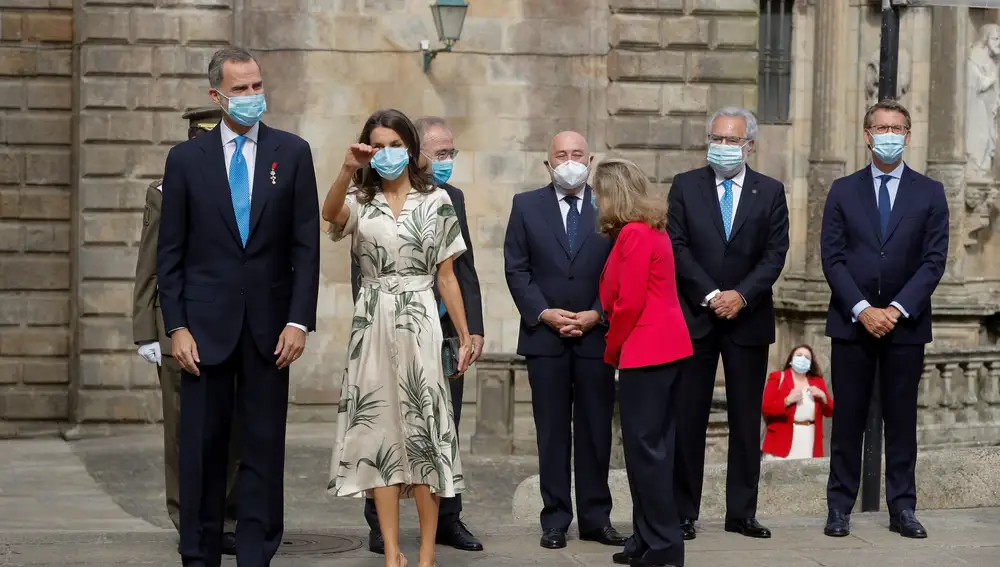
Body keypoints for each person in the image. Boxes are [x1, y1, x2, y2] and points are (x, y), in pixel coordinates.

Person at [157, 47, 320, 567]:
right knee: (201, 449)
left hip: (271, 331)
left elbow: (305, 248)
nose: (253, 97)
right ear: (216, 96)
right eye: (241, 89)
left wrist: (299, 320)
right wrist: (176, 327)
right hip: (203, 332)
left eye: (257, 86)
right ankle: (199, 550)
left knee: (263, 448)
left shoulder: (291, 153)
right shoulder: (186, 160)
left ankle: (256, 551)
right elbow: (171, 254)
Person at [323, 108, 473, 567]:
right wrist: (348, 167)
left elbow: (448, 276)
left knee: (424, 434)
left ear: (409, 147)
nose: (387, 153)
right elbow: (329, 215)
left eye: (395, 144)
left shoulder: (438, 201)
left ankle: (426, 553)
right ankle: (392, 552)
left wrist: (464, 335)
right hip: (372, 322)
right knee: (378, 436)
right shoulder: (359, 197)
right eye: (378, 145)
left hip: (422, 320)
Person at [821, 99, 948, 539]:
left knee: (901, 421)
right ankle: (839, 507)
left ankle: (903, 507)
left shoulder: (930, 192)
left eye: (897, 128)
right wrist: (862, 309)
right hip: (851, 323)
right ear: (867, 134)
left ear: (908, 135)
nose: (889, 135)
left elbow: (934, 261)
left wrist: (894, 310)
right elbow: (832, 258)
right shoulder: (842, 190)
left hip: (905, 327)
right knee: (848, 420)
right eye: (881, 127)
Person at [667, 107, 789, 541]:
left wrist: (741, 295)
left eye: (731, 140)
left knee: (743, 419)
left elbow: (775, 253)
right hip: (696, 318)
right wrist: (711, 295)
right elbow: (676, 246)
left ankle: (741, 512)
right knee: (688, 419)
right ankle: (684, 513)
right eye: (716, 138)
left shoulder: (770, 191)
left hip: (747, 319)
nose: (722, 146)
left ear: (749, 145)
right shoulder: (684, 187)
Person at [503, 131, 627, 550]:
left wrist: (598, 313)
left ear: (590, 160)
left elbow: (620, 268)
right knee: (552, 432)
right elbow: (516, 268)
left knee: (596, 431)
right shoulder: (525, 206)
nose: (569, 161)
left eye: (577, 154)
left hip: (597, 337)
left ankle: (597, 518)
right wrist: (544, 313)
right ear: (547, 163)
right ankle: (555, 518)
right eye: (561, 154)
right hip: (545, 338)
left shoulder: (611, 207)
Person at [132, 107, 240, 554]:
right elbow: (151, 265)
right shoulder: (164, 192)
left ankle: (226, 519)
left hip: (229, 324)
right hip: (177, 326)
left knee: (231, 426)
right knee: (182, 430)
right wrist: (145, 331)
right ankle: (187, 518)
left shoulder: (242, 191)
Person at [594, 158, 691, 567]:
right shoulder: (653, 230)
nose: (597, 202)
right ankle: (646, 539)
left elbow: (628, 301)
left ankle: (664, 545)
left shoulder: (633, 234)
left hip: (645, 350)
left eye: (600, 194)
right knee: (653, 450)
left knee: (646, 452)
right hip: (668, 348)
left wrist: (612, 348)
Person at [761, 344, 833, 461]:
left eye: (807, 357)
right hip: (780, 442)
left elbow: (830, 411)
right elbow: (766, 407)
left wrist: (823, 396)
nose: (803, 359)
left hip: (809, 440)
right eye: (799, 355)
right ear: (791, 360)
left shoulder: (818, 382)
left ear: (810, 364)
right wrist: (787, 400)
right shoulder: (777, 377)